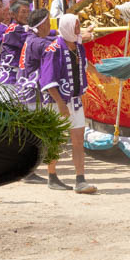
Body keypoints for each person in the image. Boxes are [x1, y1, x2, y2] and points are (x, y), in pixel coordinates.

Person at [40, 13, 97, 194]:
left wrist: (101, 75)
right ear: (66, 27)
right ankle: (52, 175)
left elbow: (85, 65)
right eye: (76, 27)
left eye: (79, 26)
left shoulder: (79, 48)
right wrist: (61, 104)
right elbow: (48, 81)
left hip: (75, 102)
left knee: (78, 140)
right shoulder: (53, 49)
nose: (78, 30)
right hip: (57, 102)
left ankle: (80, 179)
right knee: (55, 141)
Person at [0, 0, 31, 85]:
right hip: (11, 77)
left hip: (8, 75)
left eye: (28, 12)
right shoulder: (16, 29)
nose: (27, 15)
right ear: (13, 14)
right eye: (23, 12)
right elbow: (32, 40)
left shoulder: (17, 27)